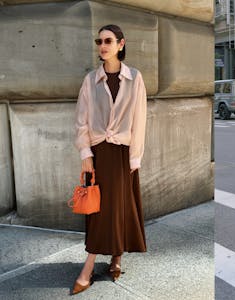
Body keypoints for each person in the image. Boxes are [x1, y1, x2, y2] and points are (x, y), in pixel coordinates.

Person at [72, 24, 147, 295]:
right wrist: (85, 155)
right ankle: (104, 260)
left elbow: (139, 120)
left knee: (118, 207)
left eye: (108, 41)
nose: (102, 46)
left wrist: (135, 158)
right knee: (99, 209)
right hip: (99, 152)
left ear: (120, 44)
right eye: (99, 41)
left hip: (123, 153)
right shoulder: (91, 80)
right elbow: (82, 120)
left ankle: (98, 264)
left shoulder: (134, 78)